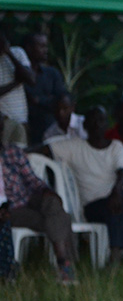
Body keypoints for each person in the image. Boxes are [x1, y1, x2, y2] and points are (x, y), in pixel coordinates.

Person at [50, 106, 123, 262]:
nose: (97, 125)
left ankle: (117, 253)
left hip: (117, 199)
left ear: (107, 124)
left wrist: (116, 192)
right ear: (85, 126)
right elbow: (46, 149)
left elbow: (122, 172)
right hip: (93, 206)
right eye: (92, 121)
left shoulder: (116, 146)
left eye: (101, 120)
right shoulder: (74, 146)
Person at [0, 116, 76, 284]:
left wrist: (47, 191)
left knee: (52, 203)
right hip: (9, 210)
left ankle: (64, 265)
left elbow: (32, 179)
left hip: (28, 198)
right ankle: (65, 265)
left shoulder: (12, 152)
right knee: (56, 218)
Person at [23, 32, 68, 145]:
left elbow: (61, 101)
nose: (45, 50)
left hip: (50, 130)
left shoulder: (52, 74)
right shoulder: (18, 75)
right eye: (41, 46)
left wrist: (39, 100)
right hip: (26, 129)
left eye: (46, 46)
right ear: (29, 48)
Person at [0, 28, 35, 127]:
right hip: (2, 122)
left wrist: (9, 53)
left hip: (20, 118)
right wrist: (15, 83)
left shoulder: (18, 52)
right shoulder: (16, 82)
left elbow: (31, 79)